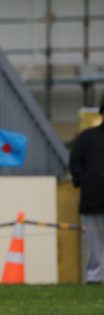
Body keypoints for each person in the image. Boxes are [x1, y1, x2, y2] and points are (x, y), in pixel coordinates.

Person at [69, 95, 104, 284]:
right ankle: (94, 278)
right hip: (92, 199)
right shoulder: (87, 138)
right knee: (94, 244)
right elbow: (75, 164)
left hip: (91, 196)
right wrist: (86, 180)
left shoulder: (86, 137)